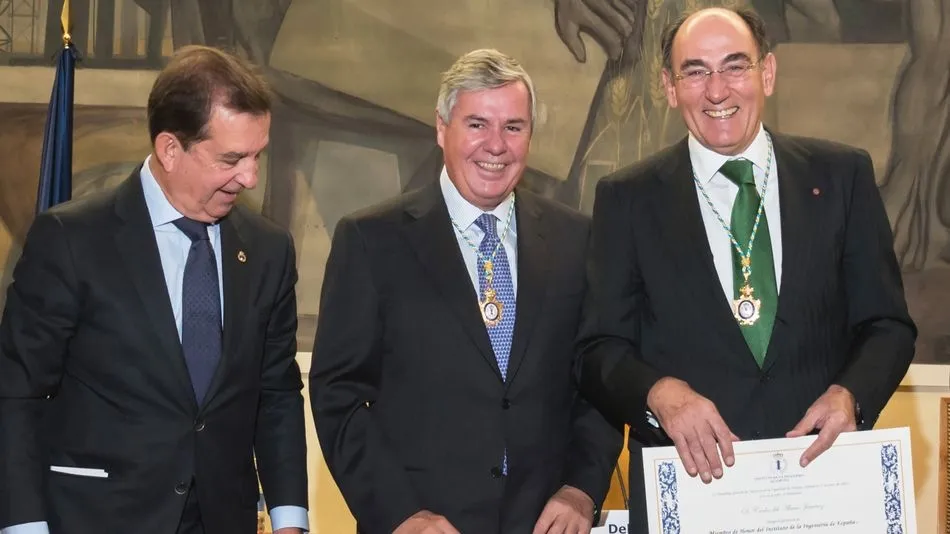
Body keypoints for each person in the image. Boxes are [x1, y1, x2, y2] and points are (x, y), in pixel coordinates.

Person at [575, 7, 917, 531]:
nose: (717, 91)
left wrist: (851, 396)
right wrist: (659, 393)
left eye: (735, 66)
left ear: (768, 73)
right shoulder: (626, 199)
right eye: (695, 71)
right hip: (692, 492)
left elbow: (888, 326)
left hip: (823, 490)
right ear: (669, 87)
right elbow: (598, 349)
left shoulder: (842, 177)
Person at [309, 48, 622, 534]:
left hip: (546, 522)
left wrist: (582, 489)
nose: (496, 145)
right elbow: (338, 397)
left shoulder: (575, 239)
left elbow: (598, 380)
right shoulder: (372, 240)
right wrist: (401, 514)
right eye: (477, 124)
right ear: (441, 127)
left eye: (513, 127)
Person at [0, 45, 309, 534]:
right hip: (94, 518)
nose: (249, 177)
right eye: (232, 158)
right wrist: (23, 526)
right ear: (170, 149)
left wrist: (290, 517)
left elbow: (277, 393)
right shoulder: (72, 240)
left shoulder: (269, 250)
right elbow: (16, 392)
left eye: (256, 156)